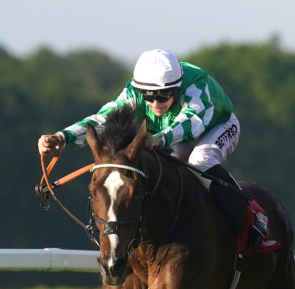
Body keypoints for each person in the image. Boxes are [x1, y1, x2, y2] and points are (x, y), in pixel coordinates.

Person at [37, 49, 268, 248]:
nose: (155, 103)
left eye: (163, 96)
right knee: (161, 167)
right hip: (170, 135)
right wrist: (61, 137)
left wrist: (160, 138)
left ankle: (250, 216)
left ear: (176, 89)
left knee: (201, 160)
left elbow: (188, 122)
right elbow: (104, 118)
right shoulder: (135, 92)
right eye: (149, 96)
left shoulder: (197, 87)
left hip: (216, 126)